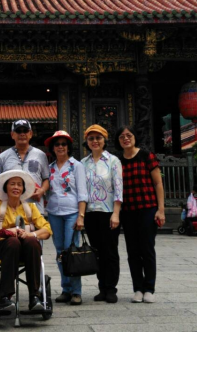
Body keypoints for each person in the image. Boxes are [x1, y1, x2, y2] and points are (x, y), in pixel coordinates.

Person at [0, 170, 53, 311]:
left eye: (19, 185)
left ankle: (34, 296)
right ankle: (5, 297)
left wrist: (31, 235)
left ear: (23, 189)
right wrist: (7, 232)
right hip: (1, 247)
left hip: (25, 248)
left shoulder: (30, 207)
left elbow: (47, 229)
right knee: (13, 242)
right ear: (6, 188)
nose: (16, 187)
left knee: (32, 242)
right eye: (12, 184)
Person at [115, 125, 165, 304]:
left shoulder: (146, 156)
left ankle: (149, 288)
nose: (126, 139)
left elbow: (158, 184)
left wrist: (160, 209)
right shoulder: (118, 161)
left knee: (147, 249)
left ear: (135, 137)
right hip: (128, 212)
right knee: (132, 251)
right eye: (122, 137)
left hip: (147, 208)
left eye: (129, 135)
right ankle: (137, 288)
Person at [43, 130, 88, 306]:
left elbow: (82, 193)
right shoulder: (50, 167)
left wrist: (81, 217)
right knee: (60, 252)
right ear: (52, 148)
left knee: (73, 252)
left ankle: (76, 291)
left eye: (63, 144)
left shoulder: (76, 166)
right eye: (57, 144)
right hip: (54, 213)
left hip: (72, 213)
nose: (60, 147)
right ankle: (66, 288)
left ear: (68, 147)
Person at [79, 125, 123, 304]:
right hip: (91, 213)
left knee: (110, 251)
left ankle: (111, 288)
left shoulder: (113, 161)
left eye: (98, 138)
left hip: (108, 213)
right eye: (91, 138)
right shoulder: (83, 163)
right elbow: (81, 191)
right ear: (87, 142)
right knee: (96, 251)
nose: (95, 141)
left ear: (105, 140)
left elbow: (118, 189)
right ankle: (101, 287)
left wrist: (116, 214)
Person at [0, 120, 50, 210]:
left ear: (31, 134)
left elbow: (46, 178)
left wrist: (42, 190)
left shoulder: (40, 155)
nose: (22, 134)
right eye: (18, 131)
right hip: (10, 209)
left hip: (35, 206)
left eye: (25, 131)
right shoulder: (3, 157)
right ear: (12, 134)